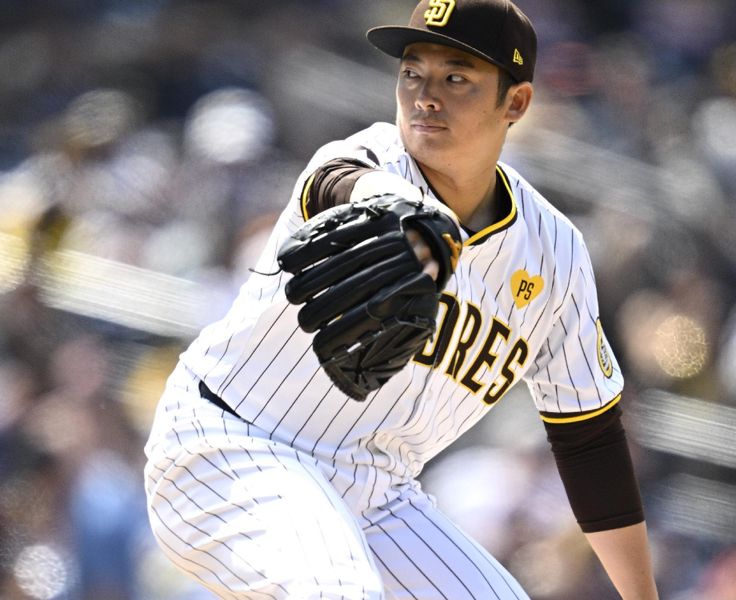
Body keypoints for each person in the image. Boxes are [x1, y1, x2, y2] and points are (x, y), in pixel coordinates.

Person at [143, 0, 659, 598]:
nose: (425, 94)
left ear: (515, 102)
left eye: (456, 76)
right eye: (412, 71)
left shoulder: (556, 255)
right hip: (233, 444)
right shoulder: (370, 162)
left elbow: (588, 437)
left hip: (377, 492)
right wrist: (393, 205)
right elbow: (336, 180)